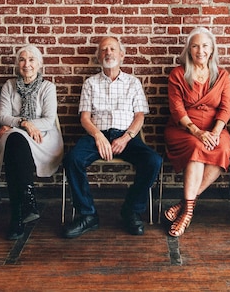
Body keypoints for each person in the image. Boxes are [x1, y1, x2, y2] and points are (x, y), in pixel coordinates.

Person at [62, 36, 162, 239]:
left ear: (121, 55)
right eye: (104, 50)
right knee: (72, 159)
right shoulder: (90, 83)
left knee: (153, 161)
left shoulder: (133, 83)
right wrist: (98, 136)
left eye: (113, 49)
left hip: (126, 135)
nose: (108, 53)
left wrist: (126, 137)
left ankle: (131, 211)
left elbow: (139, 116)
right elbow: (84, 118)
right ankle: (88, 215)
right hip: (96, 134)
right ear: (99, 57)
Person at [0, 44, 64, 240]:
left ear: (39, 64)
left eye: (31, 60)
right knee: (15, 141)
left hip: (43, 137)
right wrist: (22, 123)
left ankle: (18, 215)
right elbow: (2, 116)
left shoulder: (48, 87)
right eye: (22, 59)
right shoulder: (9, 86)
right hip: (15, 136)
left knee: (15, 143)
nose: (27, 64)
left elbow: (48, 120)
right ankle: (26, 201)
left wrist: (22, 125)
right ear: (17, 64)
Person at [164, 27, 230, 237]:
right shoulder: (178, 74)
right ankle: (188, 212)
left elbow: (226, 108)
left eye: (204, 45)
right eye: (195, 46)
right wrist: (197, 132)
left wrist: (214, 132)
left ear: (211, 50)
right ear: (188, 50)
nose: (200, 50)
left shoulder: (222, 75)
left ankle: (185, 206)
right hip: (183, 129)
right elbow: (177, 109)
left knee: (223, 150)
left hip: (214, 128)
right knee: (196, 148)